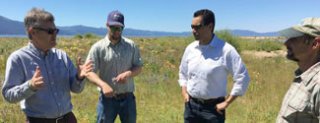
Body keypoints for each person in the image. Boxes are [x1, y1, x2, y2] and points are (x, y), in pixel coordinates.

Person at [1, 8, 93, 123]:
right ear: (32, 32)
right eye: (50, 31)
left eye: (56, 31)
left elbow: (76, 89)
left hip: (68, 119)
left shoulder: (62, 56)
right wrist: (30, 86)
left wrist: (79, 77)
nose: (55, 35)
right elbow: (8, 95)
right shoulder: (18, 59)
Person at [178, 9, 250, 123]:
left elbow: (243, 77)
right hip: (191, 107)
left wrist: (227, 102)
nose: (193, 30)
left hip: (213, 111)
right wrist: (184, 93)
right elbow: (183, 73)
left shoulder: (226, 50)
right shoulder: (190, 49)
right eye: (192, 26)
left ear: (210, 26)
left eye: (197, 27)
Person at [85, 10, 143, 123]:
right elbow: (89, 72)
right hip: (107, 101)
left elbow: (138, 67)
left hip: (128, 99)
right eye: (113, 27)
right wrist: (103, 85)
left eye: (119, 28)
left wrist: (129, 73)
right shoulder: (98, 48)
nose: (116, 31)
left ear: (123, 28)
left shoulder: (131, 46)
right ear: (107, 25)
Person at [276, 18, 320, 123]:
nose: (286, 43)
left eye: (294, 38)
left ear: (315, 44)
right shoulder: (304, 75)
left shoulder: (318, 83)